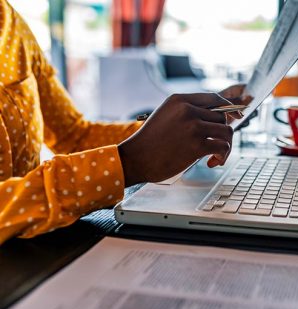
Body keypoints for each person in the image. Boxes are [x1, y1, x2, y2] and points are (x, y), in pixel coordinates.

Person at [0, 0, 245, 245]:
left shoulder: (13, 25)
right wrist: (128, 163)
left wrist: (182, 127)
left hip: (38, 247)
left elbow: (74, 136)